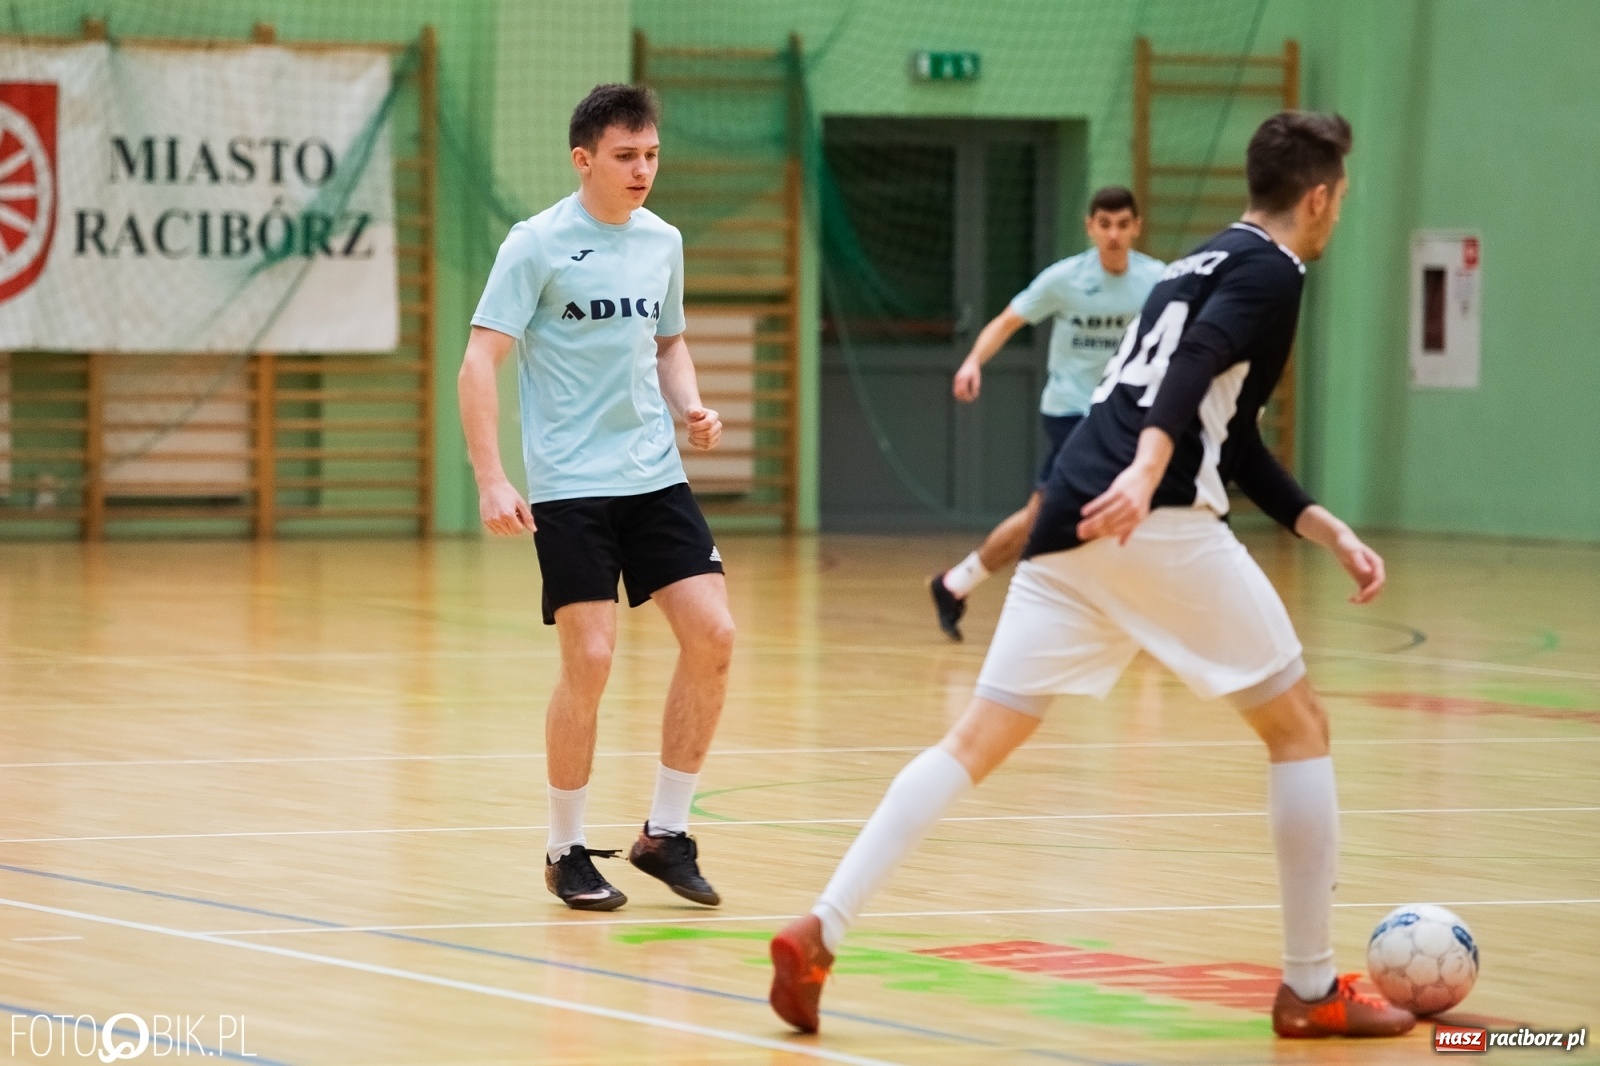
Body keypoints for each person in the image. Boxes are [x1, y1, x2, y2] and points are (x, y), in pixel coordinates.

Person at [770, 111, 1417, 1040]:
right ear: (1319, 197)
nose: (1337, 213)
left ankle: (820, 926)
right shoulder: (1275, 272)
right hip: (1146, 517)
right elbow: (1188, 377)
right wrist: (1152, 468)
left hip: (1070, 514)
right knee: (1299, 726)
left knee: (974, 742)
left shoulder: (1190, 266)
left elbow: (1231, 437)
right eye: (1341, 199)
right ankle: (1312, 990)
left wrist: (1325, 529)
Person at [457, 84, 734, 912]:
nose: (642, 169)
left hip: (655, 477)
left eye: (650, 154)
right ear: (585, 160)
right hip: (573, 486)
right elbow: (479, 362)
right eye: (625, 156)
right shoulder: (535, 245)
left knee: (715, 635)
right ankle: (565, 849)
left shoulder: (663, 242)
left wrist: (688, 402)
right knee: (591, 659)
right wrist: (492, 477)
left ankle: (666, 834)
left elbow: (669, 339)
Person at [929, 187, 1165, 641]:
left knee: (1044, 514)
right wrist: (973, 361)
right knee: (1118, 502)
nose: (1113, 235)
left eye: (1122, 225)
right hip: (1071, 411)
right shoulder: (1065, 279)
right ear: (1090, 227)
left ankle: (955, 584)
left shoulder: (1158, 280)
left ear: (1136, 227)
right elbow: (1007, 321)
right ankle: (1118, 609)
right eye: (1104, 224)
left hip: (1124, 414)